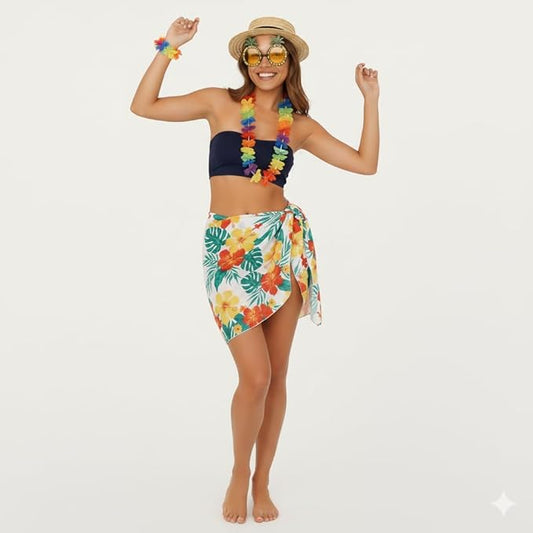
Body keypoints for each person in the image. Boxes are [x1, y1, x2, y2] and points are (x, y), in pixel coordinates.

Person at [130, 15, 379, 524]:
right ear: (245, 60)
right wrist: (168, 45)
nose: (265, 63)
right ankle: (238, 471)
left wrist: (370, 100)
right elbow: (144, 106)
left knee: (276, 375)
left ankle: (262, 480)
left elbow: (365, 163)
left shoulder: (299, 127)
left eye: (275, 53)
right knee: (255, 375)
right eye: (256, 53)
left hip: (280, 245)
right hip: (227, 249)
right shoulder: (218, 102)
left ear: (290, 61)